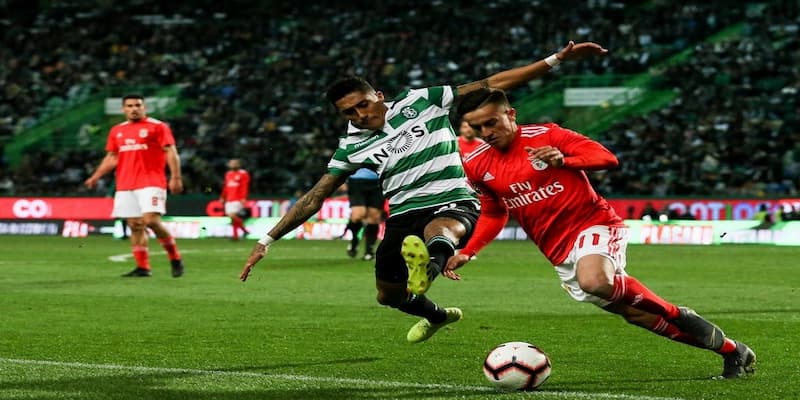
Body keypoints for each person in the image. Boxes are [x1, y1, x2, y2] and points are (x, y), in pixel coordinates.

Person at [239, 41, 609, 343]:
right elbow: (314, 197)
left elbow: (491, 82)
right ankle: (437, 314)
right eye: (349, 113)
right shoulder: (351, 146)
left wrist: (556, 59)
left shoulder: (421, 101)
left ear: (378, 95)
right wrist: (268, 239)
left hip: (452, 198)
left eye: (363, 104)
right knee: (389, 296)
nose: (360, 115)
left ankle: (429, 266)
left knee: (442, 228)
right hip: (402, 213)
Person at [444, 87, 756, 379]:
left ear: (510, 114)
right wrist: (470, 250)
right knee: (638, 316)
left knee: (594, 280)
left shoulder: (548, 135)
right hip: (558, 251)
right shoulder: (476, 164)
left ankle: (677, 312)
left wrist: (565, 160)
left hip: (594, 224)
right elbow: (495, 211)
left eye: (492, 123)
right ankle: (732, 351)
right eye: (478, 127)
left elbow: (607, 158)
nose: (486, 133)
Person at [84, 94, 185, 278]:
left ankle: (175, 258)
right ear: (123, 109)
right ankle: (143, 267)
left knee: (151, 221)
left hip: (151, 181)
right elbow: (112, 157)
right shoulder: (117, 131)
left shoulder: (158, 127)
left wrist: (176, 177)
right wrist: (96, 176)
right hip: (125, 184)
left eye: (137, 105)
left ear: (144, 107)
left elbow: (170, 151)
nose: (134, 109)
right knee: (134, 225)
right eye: (129, 106)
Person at [343, 167, 383, 261]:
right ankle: (354, 240)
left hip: (378, 181)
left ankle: (369, 251)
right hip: (357, 181)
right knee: (358, 215)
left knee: (374, 217)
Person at [220, 158, 251, 241]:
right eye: (231, 163)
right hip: (229, 199)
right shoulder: (228, 174)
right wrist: (222, 197)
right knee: (233, 218)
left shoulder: (243, 173)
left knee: (232, 215)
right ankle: (236, 236)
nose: (232, 165)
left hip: (238, 199)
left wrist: (243, 197)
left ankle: (245, 230)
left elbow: (244, 186)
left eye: (234, 163)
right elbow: (225, 187)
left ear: (239, 165)